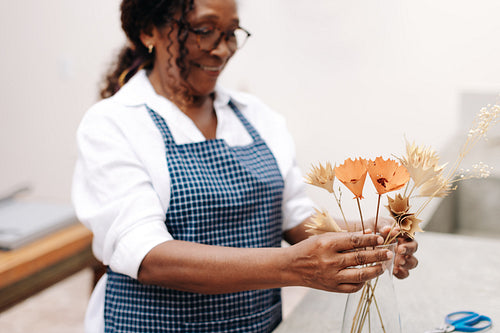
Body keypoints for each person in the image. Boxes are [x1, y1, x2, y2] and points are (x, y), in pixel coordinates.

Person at [72, 0, 418, 332]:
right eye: (205, 30)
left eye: (231, 33)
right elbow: (148, 257)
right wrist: (295, 266)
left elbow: (294, 218)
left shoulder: (256, 117)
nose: (222, 50)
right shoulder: (114, 124)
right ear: (149, 32)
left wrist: (365, 235)